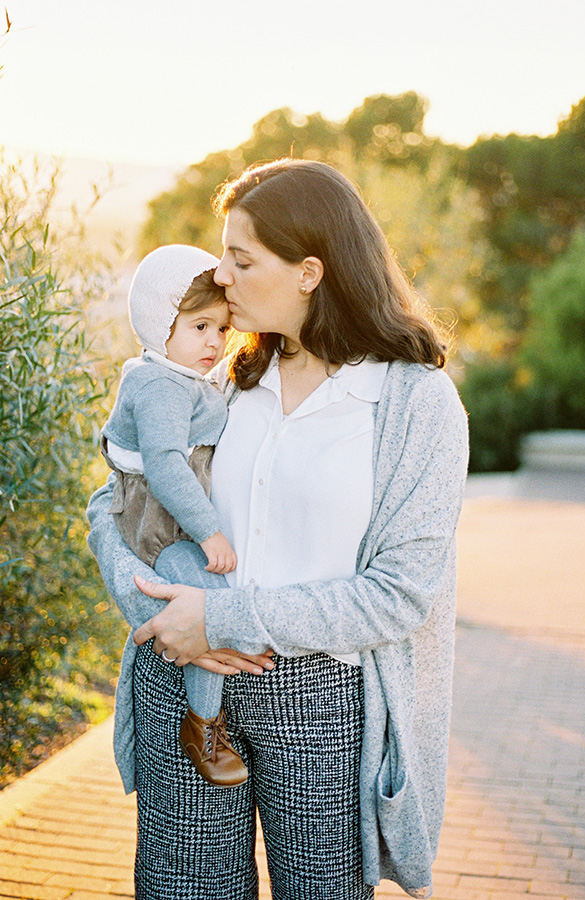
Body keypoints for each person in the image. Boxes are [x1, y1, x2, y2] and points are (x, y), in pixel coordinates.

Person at [87, 158, 469, 900]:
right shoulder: (220, 379)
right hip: (182, 682)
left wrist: (224, 618)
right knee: (183, 890)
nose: (219, 277)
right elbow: (111, 506)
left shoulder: (413, 406)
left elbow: (398, 594)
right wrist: (160, 618)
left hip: (321, 699)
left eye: (240, 258)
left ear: (308, 272)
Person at [100, 244, 247, 787]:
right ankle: (203, 724)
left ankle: (206, 716)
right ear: (160, 322)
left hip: (165, 520)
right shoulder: (160, 384)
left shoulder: (179, 375)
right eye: (200, 326)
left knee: (213, 605)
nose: (214, 342)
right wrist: (208, 532)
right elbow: (163, 466)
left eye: (222, 329)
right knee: (205, 601)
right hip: (157, 529)